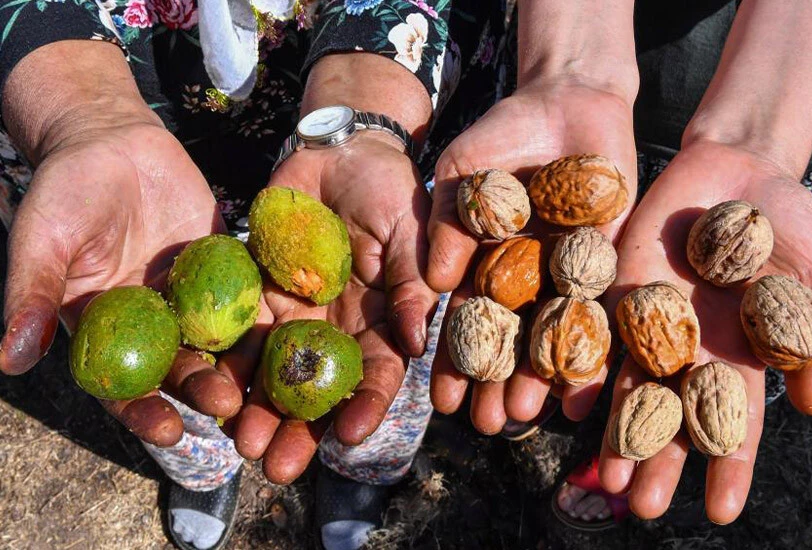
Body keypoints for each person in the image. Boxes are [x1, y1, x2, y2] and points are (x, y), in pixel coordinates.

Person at [0, 0, 489, 548]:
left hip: (370, 146)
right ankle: (203, 472)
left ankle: (362, 470)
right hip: (141, 187)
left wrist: (360, 121)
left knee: (390, 330)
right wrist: (82, 117)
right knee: (187, 388)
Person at [426, 0, 812, 530]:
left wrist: (763, 142)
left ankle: (594, 434)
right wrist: (568, 70)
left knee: (665, 357)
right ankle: (564, 402)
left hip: (786, 101)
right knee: (568, 353)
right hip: (600, 90)